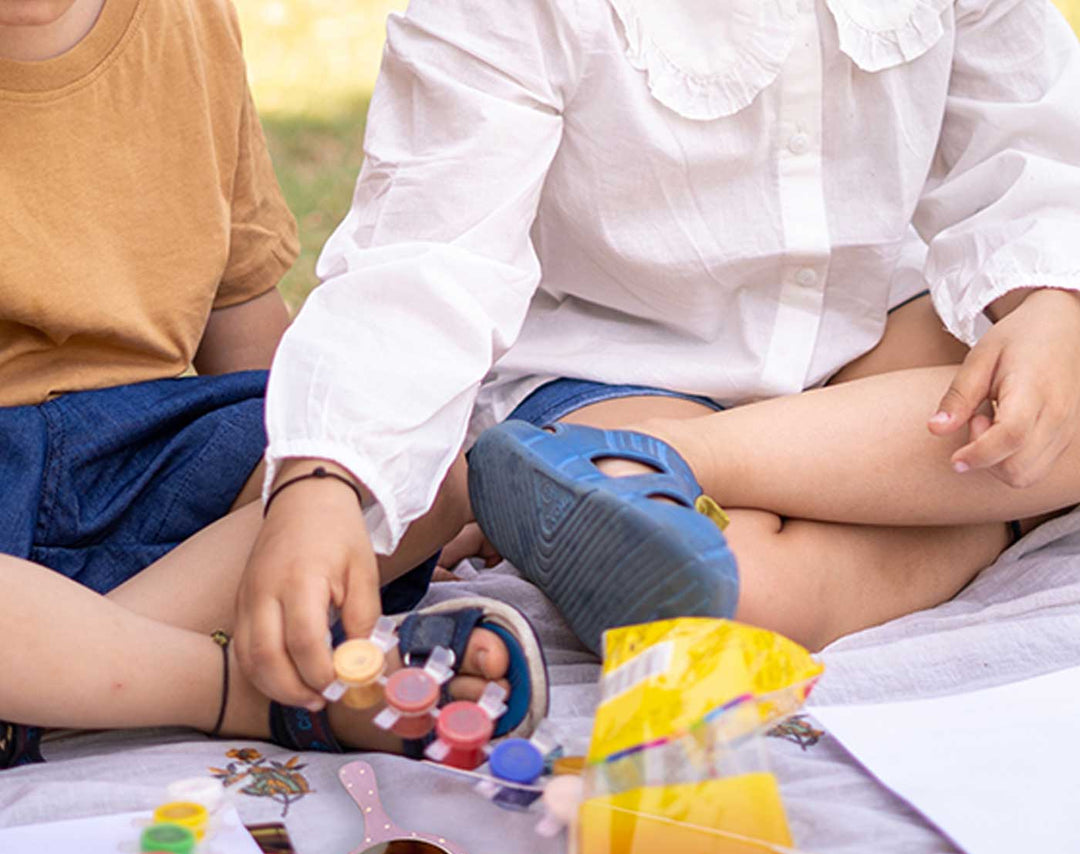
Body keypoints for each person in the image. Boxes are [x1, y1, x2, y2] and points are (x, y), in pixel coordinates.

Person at [237, 0, 1080, 709]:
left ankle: (624, 466)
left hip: (874, 335)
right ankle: (617, 460)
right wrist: (326, 476)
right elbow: (427, 256)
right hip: (619, 368)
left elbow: (1029, 136)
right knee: (730, 599)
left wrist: (1046, 303)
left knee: (1056, 372)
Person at [0, 0, 538, 770]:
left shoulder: (184, 18)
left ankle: (62, 674)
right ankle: (238, 690)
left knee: (411, 463)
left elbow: (241, 308)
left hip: (144, 458)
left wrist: (295, 484)